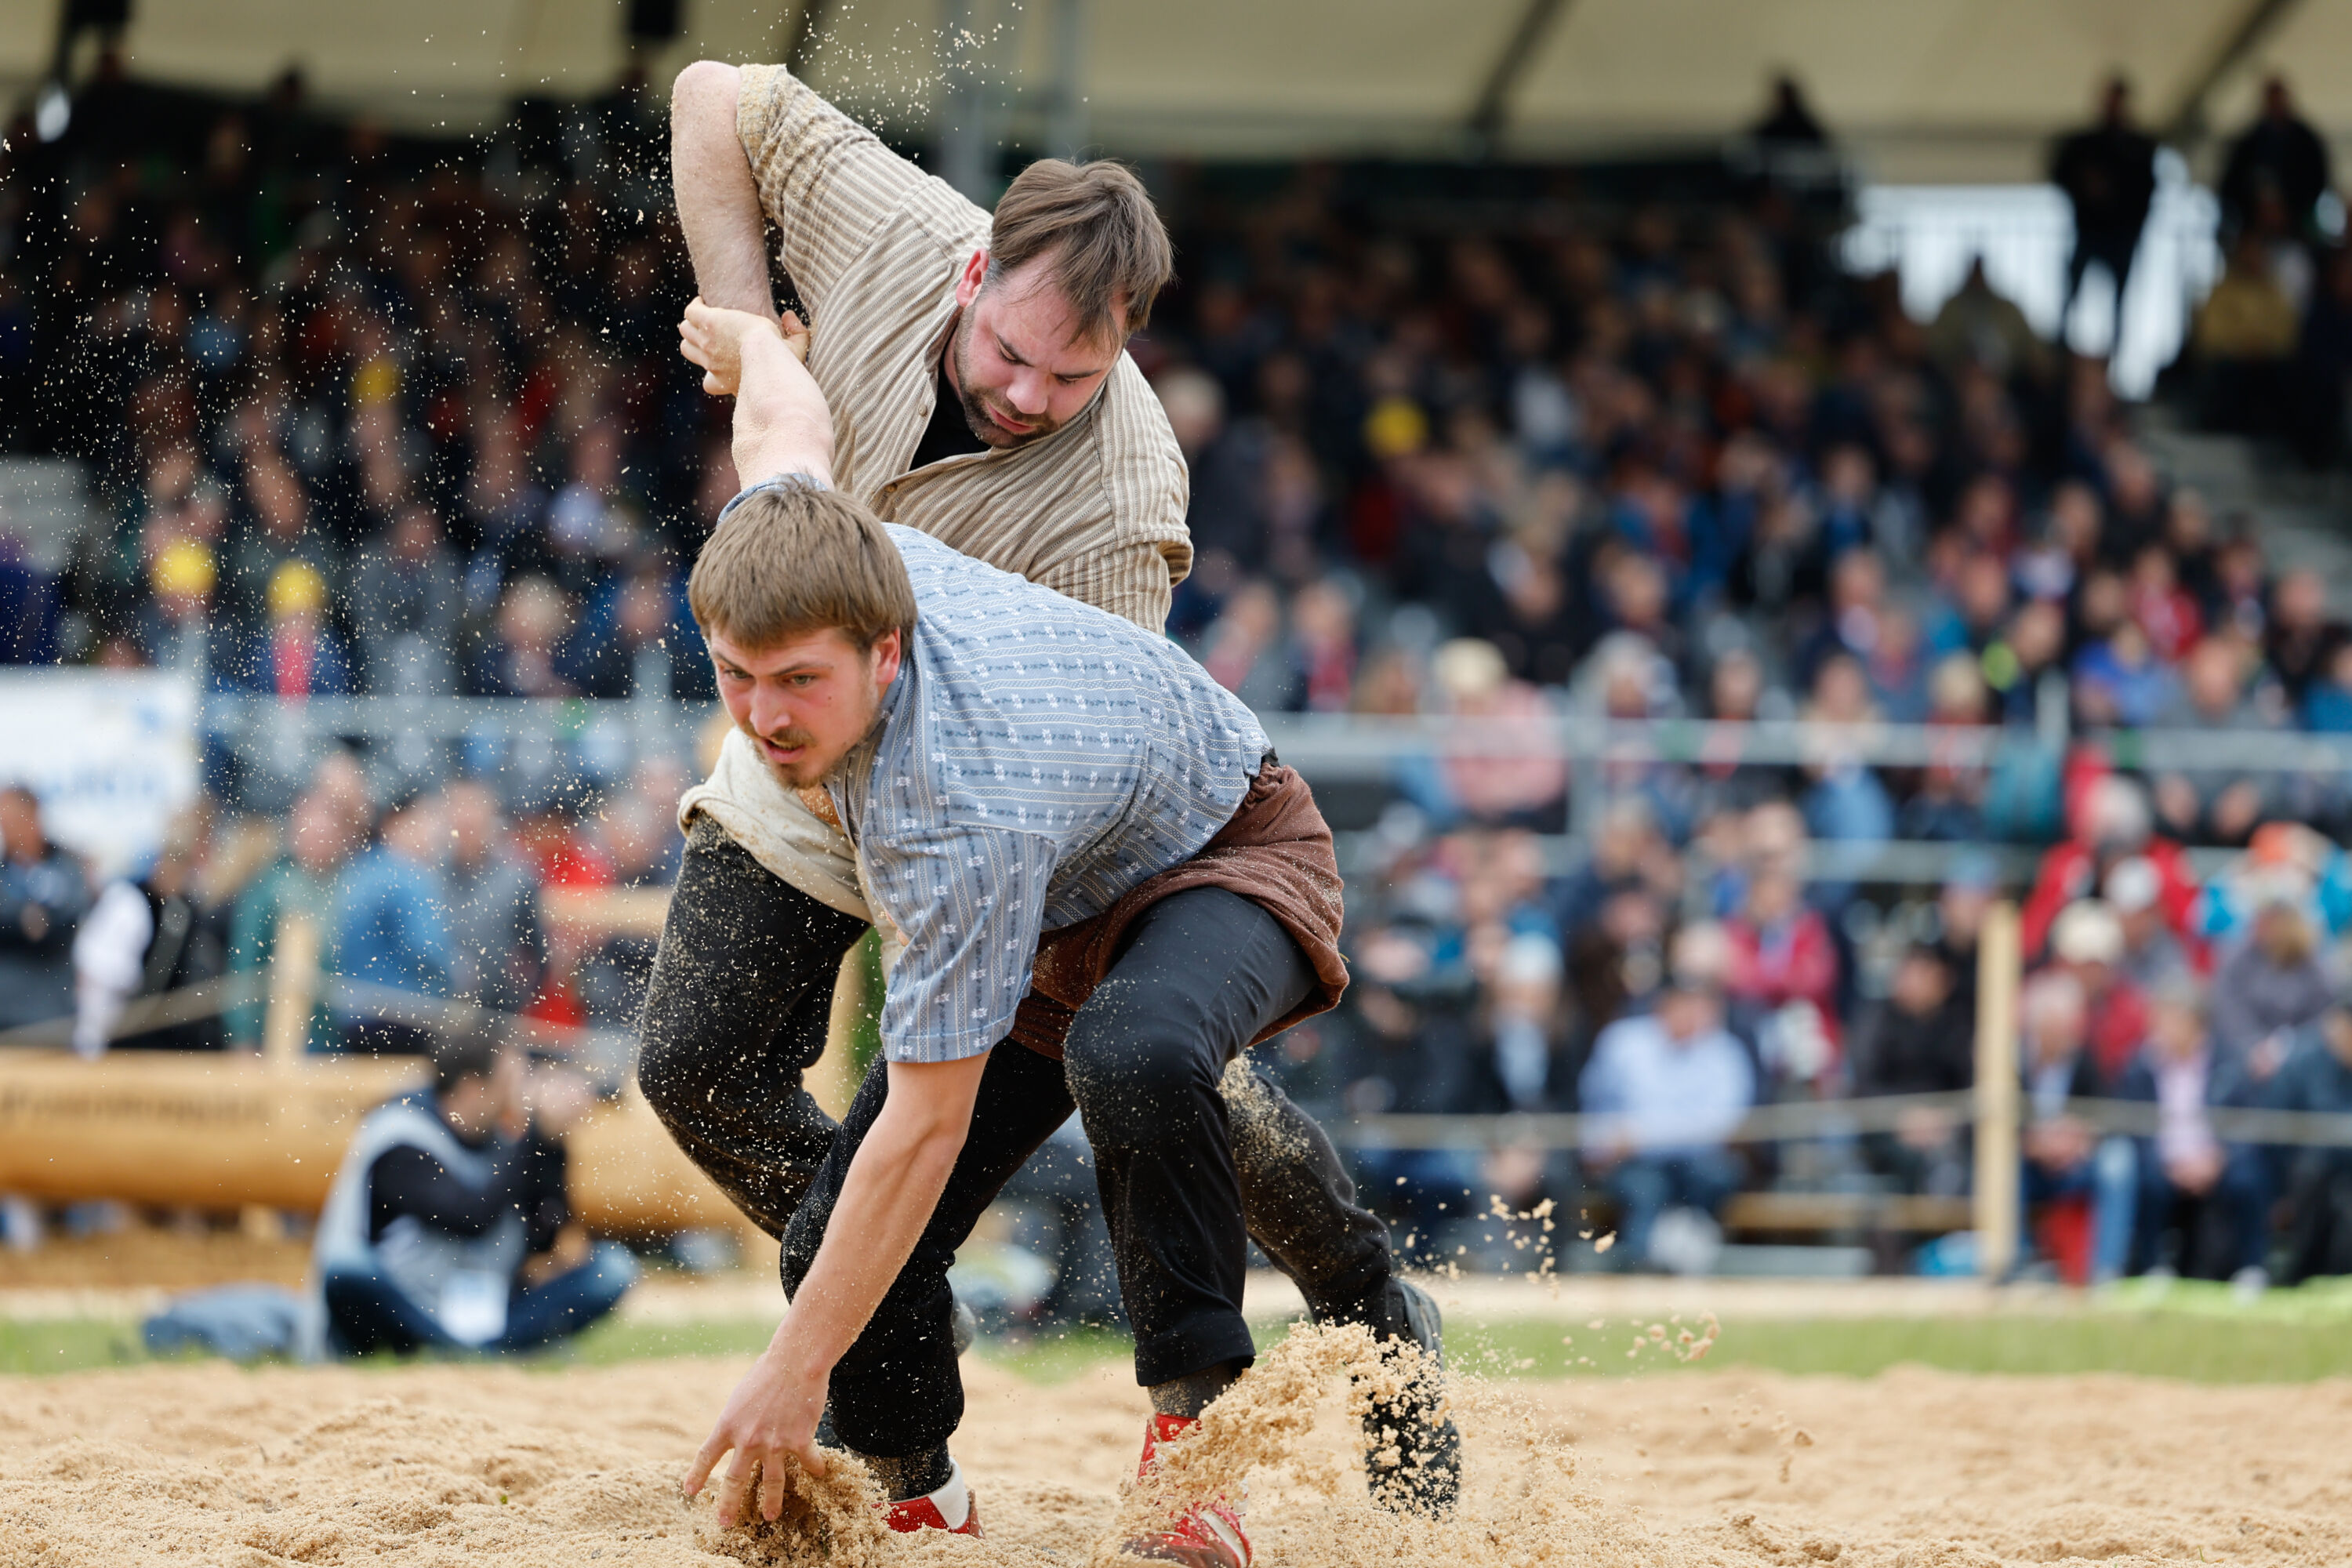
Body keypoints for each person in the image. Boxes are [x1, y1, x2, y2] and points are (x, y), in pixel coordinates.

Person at [648, 53, 1434, 1522]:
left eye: (1069, 378)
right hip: (829, 704)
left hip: (1060, 821)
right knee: (708, 1078)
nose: (1022, 393)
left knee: (1139, 1056)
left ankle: (1320, 1320)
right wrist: (752, 327)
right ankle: (910, 1426)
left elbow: (1078, 840)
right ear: (975, 264)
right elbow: (713, 100)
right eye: (1007, 349)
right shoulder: (884, 247)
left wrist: (797, 1354)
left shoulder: (1124, 500)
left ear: (1125, 349)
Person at [307, 1023, 634, 1357]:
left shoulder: (505, 1141)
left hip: (487, 1310)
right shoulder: (400, 1136)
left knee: (612, 1269)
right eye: (512, 1081)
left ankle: (469, 1350)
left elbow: (545, 1236)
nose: (520, 1093)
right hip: (403, 1306)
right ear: (472, 1087)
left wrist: (551, 1145)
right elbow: (469, 1217)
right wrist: (534, 1135)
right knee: (347, 1268)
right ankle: (468, 1350)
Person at [1577, 964, 1755, 1273]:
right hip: (1634, 1162)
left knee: (1715, 1177)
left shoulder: (1725, 1051)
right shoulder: (1623, 1043)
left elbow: (1721, 1125)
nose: (1688, 1012)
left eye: (1697, 1003)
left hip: (1696, 1161)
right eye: (1681, 1002)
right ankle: (1641, 1268)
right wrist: (1600, 1146)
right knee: (1644, 1189)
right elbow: (1595, 1106)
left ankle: (1689, 1261)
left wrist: (1642, 1135)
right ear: (1662, 1004)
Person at [2107, 980, 2270, 1284]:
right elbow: (2131, 1122)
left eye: (2167, 1020)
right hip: (2165, 1160)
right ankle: (2153, 1267)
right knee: (2146, 1178)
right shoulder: (2141, 1065)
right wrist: (2170, 1161)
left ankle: (2252, 1268)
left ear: (2193, 1022)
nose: (2158, 1030)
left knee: (2248, 1179)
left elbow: (2248, 1123)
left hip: (2216, 1159)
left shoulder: (2228, 1061)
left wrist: (2218, 1158)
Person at [2049, 77, 2157, 339]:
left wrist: (2131, 218)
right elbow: (2060, 172)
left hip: (2122, 235)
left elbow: (2148, 188)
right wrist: (2086, 188)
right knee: (2072, 294)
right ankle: (2062, 345)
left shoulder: (2137, 147)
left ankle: (2114, 352)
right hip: (2090, 231)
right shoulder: (2085, 144)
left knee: (2119, 302)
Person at [0, 786, 92, 1033]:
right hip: (4, 1015)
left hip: (51, 1015)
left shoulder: (66, 865)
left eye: (11, 820)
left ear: (33, 816)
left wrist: (28, 922)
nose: (6, 830)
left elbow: (68, 915)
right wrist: (24, 919)